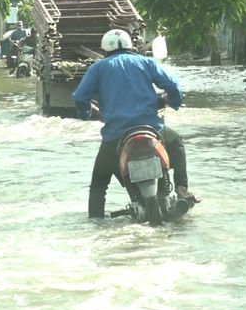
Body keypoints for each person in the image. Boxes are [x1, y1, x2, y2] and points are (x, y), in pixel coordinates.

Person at [71, 29, 201, 218]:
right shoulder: (146, 62)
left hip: (116, 137)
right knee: (177, 142)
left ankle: (96, 227)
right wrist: (173, 102)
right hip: (152, 130)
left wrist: (86, 113)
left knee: (99, 186)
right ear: (130, 45)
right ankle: (181, 188)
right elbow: (173, 86)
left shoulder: (98, 69)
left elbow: (80, 97)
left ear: (105, 49)